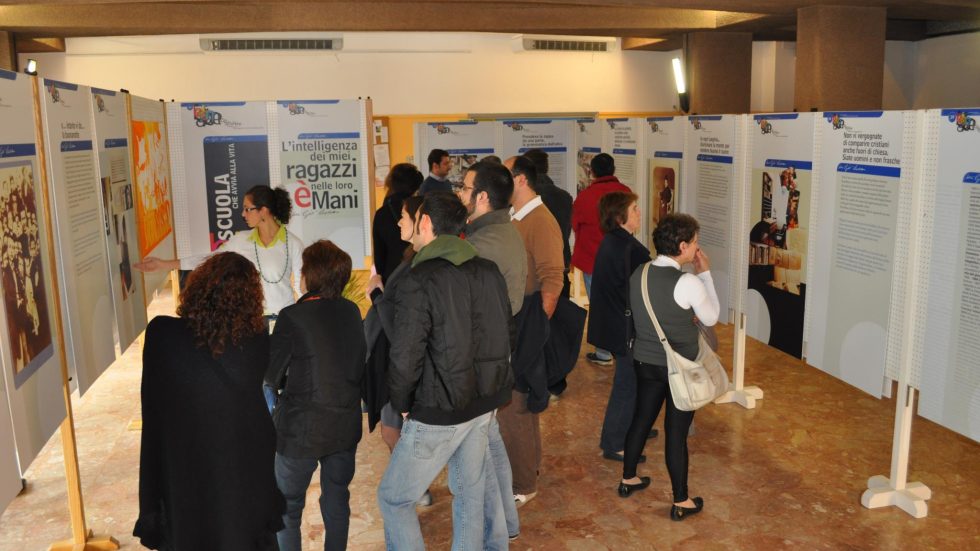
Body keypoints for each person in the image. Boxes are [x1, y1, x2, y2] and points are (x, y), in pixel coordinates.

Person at [378, 191, 514, 550]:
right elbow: (505, 334)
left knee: (395, 499)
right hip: (483, 403)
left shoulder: (418, 279)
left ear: (425, 223)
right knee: (468, 493)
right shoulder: (488, 270)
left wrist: (402, 402)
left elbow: (406, 354)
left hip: (438, 409)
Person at [134, 252, 284, 550]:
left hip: (183, 471)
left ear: (198, 285)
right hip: (238, 472)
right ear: (250, 300)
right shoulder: (255, 343)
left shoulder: (162, 335)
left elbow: (152, 407)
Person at [135, 184, 304, 411]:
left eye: (247, 209)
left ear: (263, 211)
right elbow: (210, 259)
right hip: (252, 324)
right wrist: (165, 264)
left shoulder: (292, 243)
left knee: (277, 381)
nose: (243, 215)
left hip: (284, 323)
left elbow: (302, 287)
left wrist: (302, 321)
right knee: (260, 382)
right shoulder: (241, 240)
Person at [266, 241, 367, 551]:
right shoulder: (351, 312)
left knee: (288, 507)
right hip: (343, 426)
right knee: (337, 499)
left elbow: (269, 376)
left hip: (301, 430)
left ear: (310, 275)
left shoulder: (292, 316)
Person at [618, 214, 719, 523]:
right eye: (696, 243)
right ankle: (681, 500)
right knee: (676, 434)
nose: (698, 250)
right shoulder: (687, 281)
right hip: (680, 368)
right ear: (683, 245)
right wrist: (706, 274)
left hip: (645, 362)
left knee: (641, 419)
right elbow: (712, 317)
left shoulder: (640, 272)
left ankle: (629, 479)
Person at [458, 160, 527, 542]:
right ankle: (510, 525)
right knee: (490, 440)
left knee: (478, 454)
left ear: (482, 197)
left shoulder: (483, 245)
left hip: (484, 357)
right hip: (494, 353)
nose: (460, 195)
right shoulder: (500, 230)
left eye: (465, 189)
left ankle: (495, 536)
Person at [363, 195, 436, 507]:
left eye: (404, 217)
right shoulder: (413, 259)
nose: (398, 222)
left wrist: (377, 294)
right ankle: (415, 485)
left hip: (401, 363)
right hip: (399, 360)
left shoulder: (416, 268)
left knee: (395, 431)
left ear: (422, 221)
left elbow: (400, 324)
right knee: (393, 430)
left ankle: (413, 487)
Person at [501, 155, 564, 507]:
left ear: (521, 180)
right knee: (520, 402)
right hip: (518, 321)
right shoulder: (515, 217)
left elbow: (553, 277)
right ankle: (530, 468)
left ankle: (523, 484)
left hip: (527, 323)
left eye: (506, 176)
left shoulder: (540, 221)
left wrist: (536, 329)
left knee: (516, 404)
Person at [589, 192, 652, 463]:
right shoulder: (632, 250)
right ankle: (614, 442)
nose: (639, 213)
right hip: (627, 329)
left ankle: (632, 427)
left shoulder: (612, 242)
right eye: (635, 209)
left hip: (613, 324)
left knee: (634, 381)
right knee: (627, 384)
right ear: (619, 216)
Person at [570, 153, 630, 366]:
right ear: (613, 169)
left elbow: (576, 225)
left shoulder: (585, 196)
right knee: (623, 303)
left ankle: (604, 353)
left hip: (592, 259)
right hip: (622, 260)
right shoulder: (626, 193)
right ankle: (624, 348)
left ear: (592, 172)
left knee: (599, 305)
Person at [522, 148, 572, 295]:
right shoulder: (564, 197)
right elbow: (566, 230)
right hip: (560, 262)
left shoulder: (522, 198)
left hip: (530, 269)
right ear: (547, 167)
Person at [372, 163, 423, 284]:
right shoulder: (421, 208)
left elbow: (379, 256)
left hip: (391, 277)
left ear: (391, 183)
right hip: (419, 273)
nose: (400, 223)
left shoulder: (382, 213)